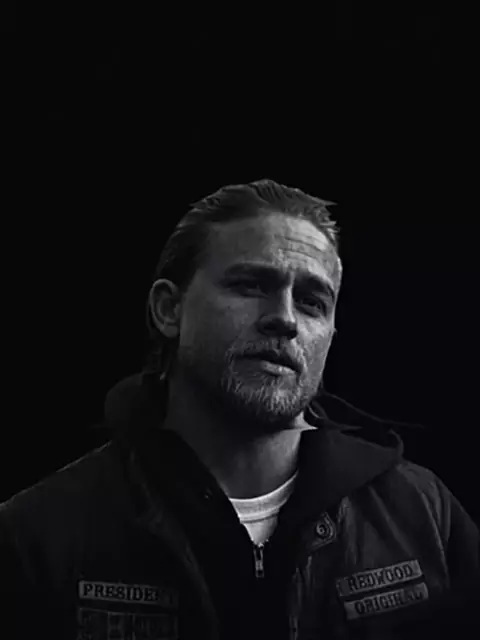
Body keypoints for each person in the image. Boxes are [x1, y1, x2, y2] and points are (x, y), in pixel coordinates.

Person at [1, 179, 479, 639]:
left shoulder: (422, 513)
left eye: (312, 302)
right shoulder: (39, 533)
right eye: (251, 285)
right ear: (169, 310)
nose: (285, 319)